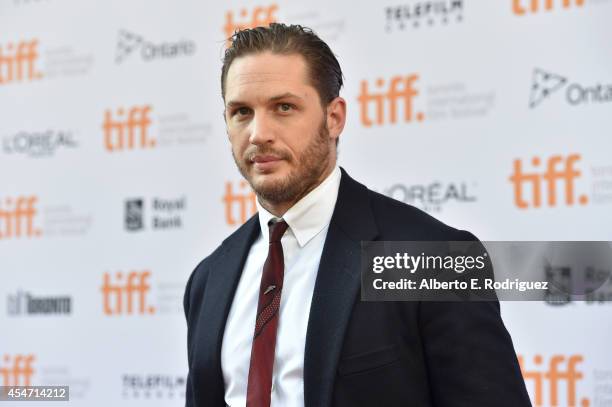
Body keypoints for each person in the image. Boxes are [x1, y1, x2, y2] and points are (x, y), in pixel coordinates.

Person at [184, 23, 532, 407]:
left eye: (284, 107)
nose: (259, 133)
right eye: (241, 112)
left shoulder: (430, 260)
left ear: (334, 117)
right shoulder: (208, 279)